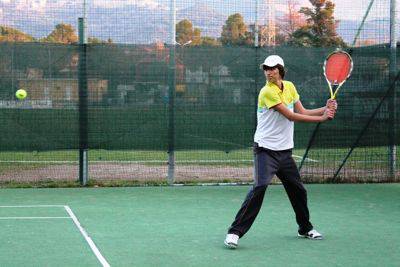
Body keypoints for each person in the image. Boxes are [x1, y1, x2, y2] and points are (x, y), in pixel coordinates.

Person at [224, 55, 337, 249]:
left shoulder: (290, 87)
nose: (268, 71)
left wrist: (323, 108)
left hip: (285, 152)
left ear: (280, 69)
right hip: (265, 151)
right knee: (259, 188)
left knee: (298, 190)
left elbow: (303, 110)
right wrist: (323, 118)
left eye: (273, 68)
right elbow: (291, 116)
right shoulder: (267, 92)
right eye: (266, 68)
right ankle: (234, 233)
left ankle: (304, 228)